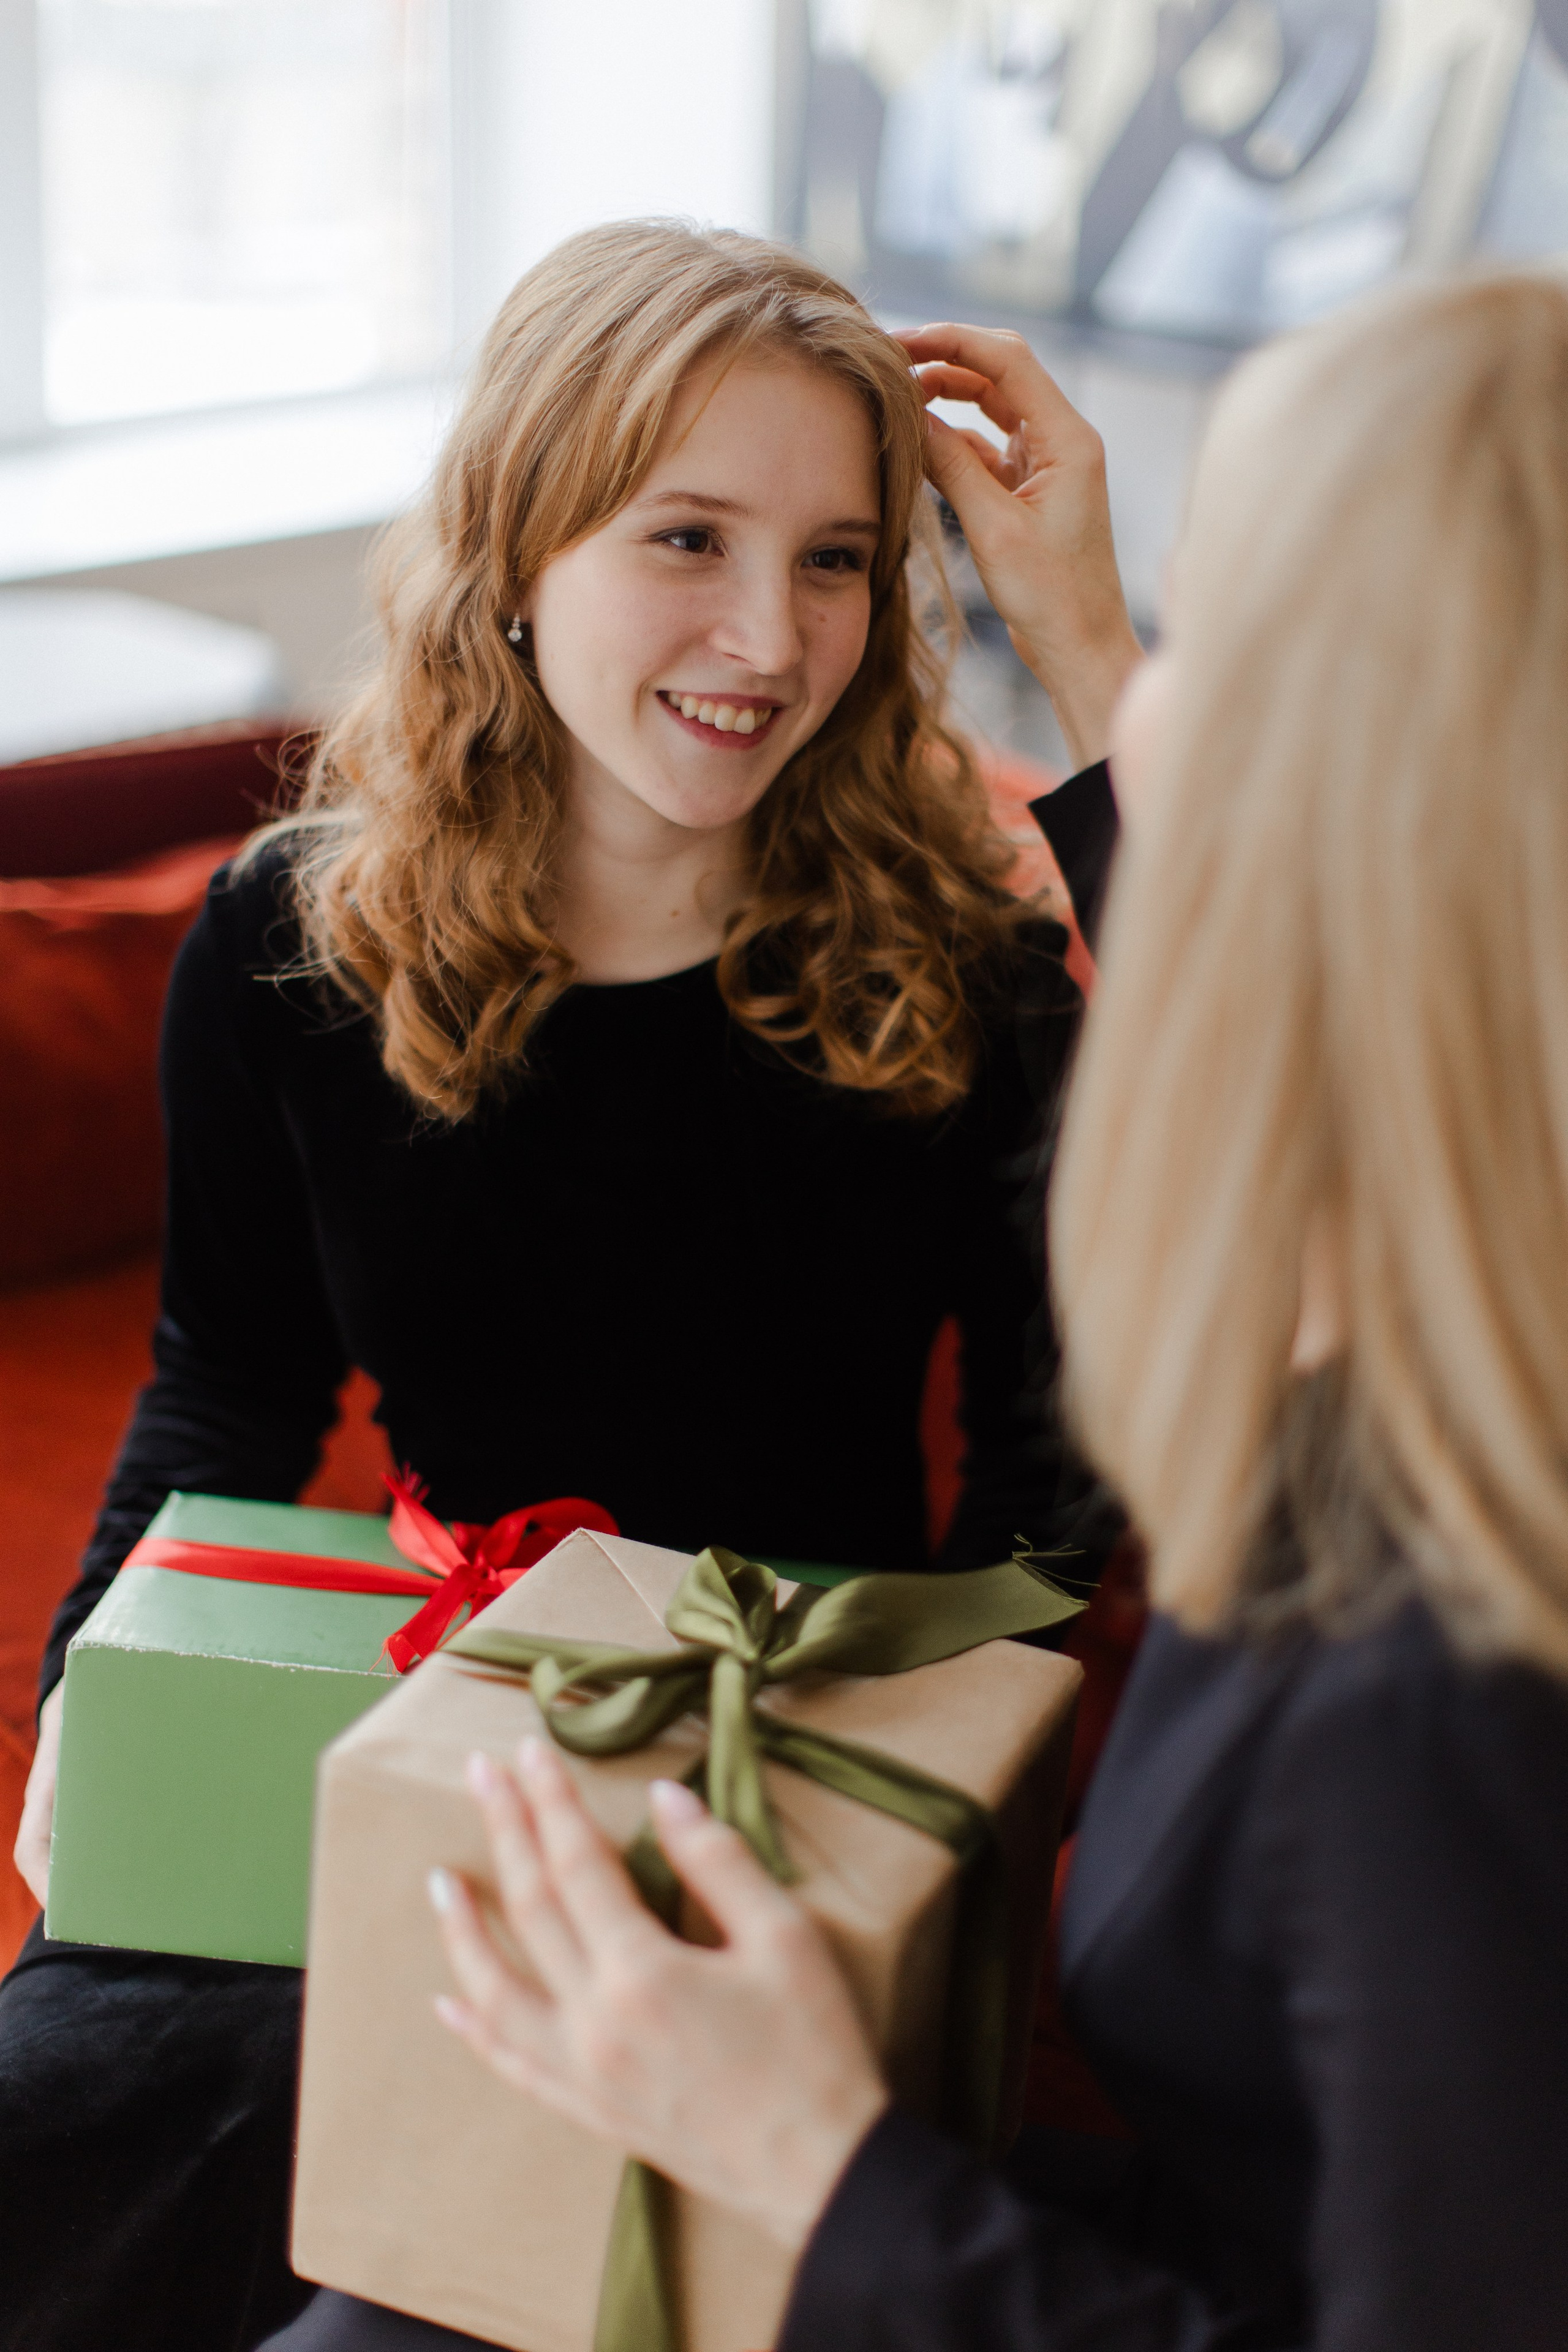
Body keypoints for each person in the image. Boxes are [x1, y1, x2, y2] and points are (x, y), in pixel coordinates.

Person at [270, 271, 1568, 2351]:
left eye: (1223, 651)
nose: (1134, 704)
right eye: (681, 535)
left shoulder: (1430, 1673)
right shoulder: (1433, 1353)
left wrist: (821, 2163)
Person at [0, 225, 1132, 2352]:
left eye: (834, 560)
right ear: (517, 545)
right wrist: (93, 1681)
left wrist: (939, 1811)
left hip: (792, 1762)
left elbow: (1055, 1479)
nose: (766, 635)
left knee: (439, 2288)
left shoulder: (973, 979)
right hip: (426, 1702)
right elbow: (227, 1391)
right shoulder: (281, 947)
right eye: (687, 537)